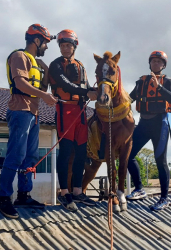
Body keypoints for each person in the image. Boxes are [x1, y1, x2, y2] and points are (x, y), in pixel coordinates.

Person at [0, 24, 58, 219]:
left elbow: (45, 84)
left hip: (34, 113)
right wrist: (44, 95)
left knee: (30, 156)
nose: (46, 47)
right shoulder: (19, 57)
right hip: (20, 111)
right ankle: (3, 197)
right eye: (46, 43)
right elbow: (20, 83)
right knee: (16, 154)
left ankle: (23, 194)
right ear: (36, 40)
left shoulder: (37, 63)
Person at [48, 29, 98, 212]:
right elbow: (64, 84)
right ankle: (64, 192)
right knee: (66, 152)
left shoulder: (80, 65)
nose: (65, 48)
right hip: (65, 110)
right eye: (62, 45)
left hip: (81, 111)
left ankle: (77, 190)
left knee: (81, 152)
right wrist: (87, 93)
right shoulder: (56, 65)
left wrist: (96, 92)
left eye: (68, 45)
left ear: (74, 46)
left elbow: (85, 86)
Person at [126, 51, 171, 211]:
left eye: (159, 62)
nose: (156, 64)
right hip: (143, 124)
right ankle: (139, 189)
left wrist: (159, 87)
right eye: (153, 61)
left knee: (160, 162)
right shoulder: (142, 81)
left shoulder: (167, 81)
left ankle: (164, 198)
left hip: (160, 124)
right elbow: (129, 99)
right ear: (150, 63)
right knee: (127, 155)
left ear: (163, 65)